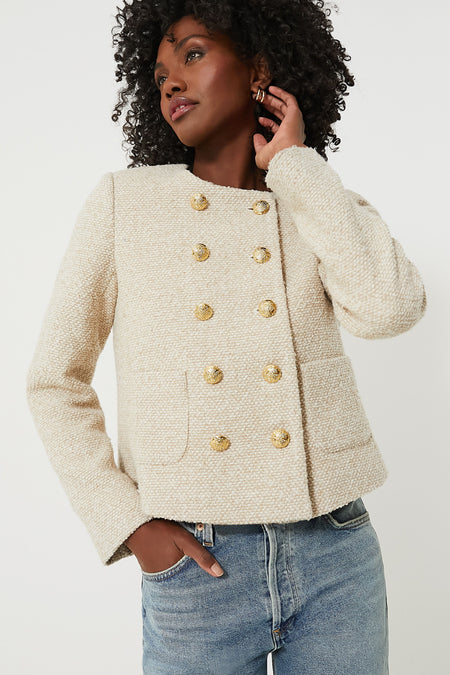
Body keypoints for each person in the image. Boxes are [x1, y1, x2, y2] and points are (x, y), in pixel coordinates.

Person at [26, 1, 427, 673]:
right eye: (159, 76)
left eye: (192, 54)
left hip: (336, 550)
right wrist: (129, 522)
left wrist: (296, 165)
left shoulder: (316, 200)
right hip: (198, 564)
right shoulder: (126, 203)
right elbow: (53, 380)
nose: (171, 84)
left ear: (259, 68)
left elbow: (391, 309)